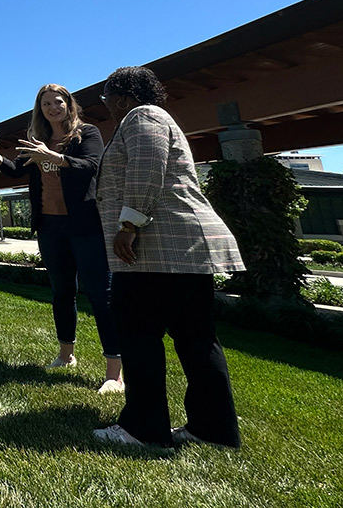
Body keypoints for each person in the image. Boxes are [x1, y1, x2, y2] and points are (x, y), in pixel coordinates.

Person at [92, 66, 245, 449]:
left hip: (156, 250)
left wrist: (129, 225)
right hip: (186, 252)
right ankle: (213, 429)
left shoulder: (142, 116)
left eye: (107, 97)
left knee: (138, 333)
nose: (107, 105)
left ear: (123, 95)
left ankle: (143, 429)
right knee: (196, 339)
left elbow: (147, 168)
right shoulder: (157, 117)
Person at [0, 84, 122, 394]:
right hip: (50, 227)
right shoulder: (38, 140)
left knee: (101, 294)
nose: (52, 108)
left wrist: (55, 157)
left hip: (85, 224)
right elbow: (16, 171)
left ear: (68, 104)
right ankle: (66, 355)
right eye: (45, 103)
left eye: (57, 102)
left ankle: (115, 373)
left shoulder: (87, 133)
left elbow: (92, 166)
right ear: (40, 109)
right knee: (62, 292)